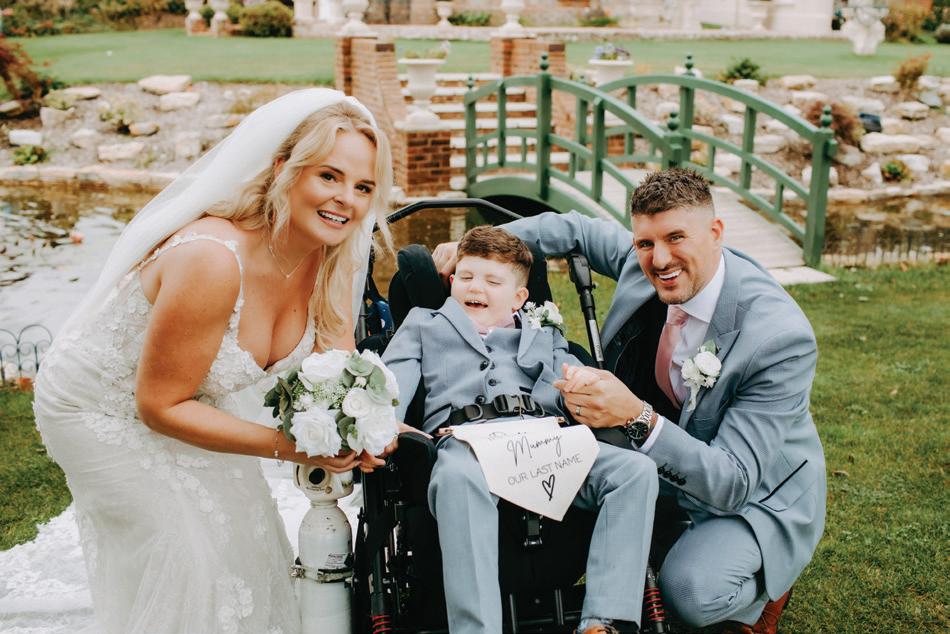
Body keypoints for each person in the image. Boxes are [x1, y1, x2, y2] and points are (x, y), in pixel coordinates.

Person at [32, 89, 397, 634]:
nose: (346, 199)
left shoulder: (332, 258)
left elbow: (340, 368)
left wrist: (375, 428)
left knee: (248, 539)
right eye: (329, 176)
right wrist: (293, 447)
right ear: (284, 169)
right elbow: (159, 406)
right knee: (189, 555)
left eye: (363, 187)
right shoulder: (212, 259)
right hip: (97, 407)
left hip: (192, 395)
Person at [433, 168, 826, 634]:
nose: (659, 260)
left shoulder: (779, 338)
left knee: (690, 593)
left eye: (676, 238)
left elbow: (733, 481)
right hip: (662, 466)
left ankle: (761, 587)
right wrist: (476, 250)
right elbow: (573, 228)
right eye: (645, 243)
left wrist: (635, 415)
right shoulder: (646, 260)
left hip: (753, 493)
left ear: (716, 232)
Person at [382, 225, 658, 634]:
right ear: (452, 281)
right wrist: (388, 420)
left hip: (544, 439)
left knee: (635, 471)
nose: (476, 287)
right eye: (466, 276)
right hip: (468, 441)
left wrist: (580, 387)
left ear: (519, 297)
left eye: (492, 282)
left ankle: (604, 621)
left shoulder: (544, 334)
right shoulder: (425, 323)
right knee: (457, 478)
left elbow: (573, 385)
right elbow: (393, 382)